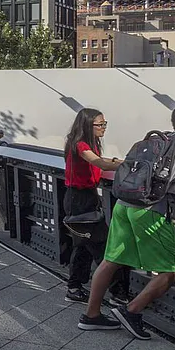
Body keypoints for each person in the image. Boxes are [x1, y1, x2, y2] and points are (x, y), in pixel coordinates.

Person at [81, 103, 175, 338]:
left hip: (123, 204)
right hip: (147, 209)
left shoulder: (160, 137)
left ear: (174, 121)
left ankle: (91, 315)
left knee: (111, 261)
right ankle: (131, 311)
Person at [61, 108, 123, 304]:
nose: (104, 128)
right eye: (100, 124)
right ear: (88, 125)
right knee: (103, 246)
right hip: (80, 200)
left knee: (82, 245)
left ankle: (74, 287)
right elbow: (99, 164)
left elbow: (100, 161)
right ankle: (117, 294)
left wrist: (116, 161)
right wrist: (129, 164)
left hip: (81, 198)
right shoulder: (80, 144)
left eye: (105, 124)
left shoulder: (83, 143)